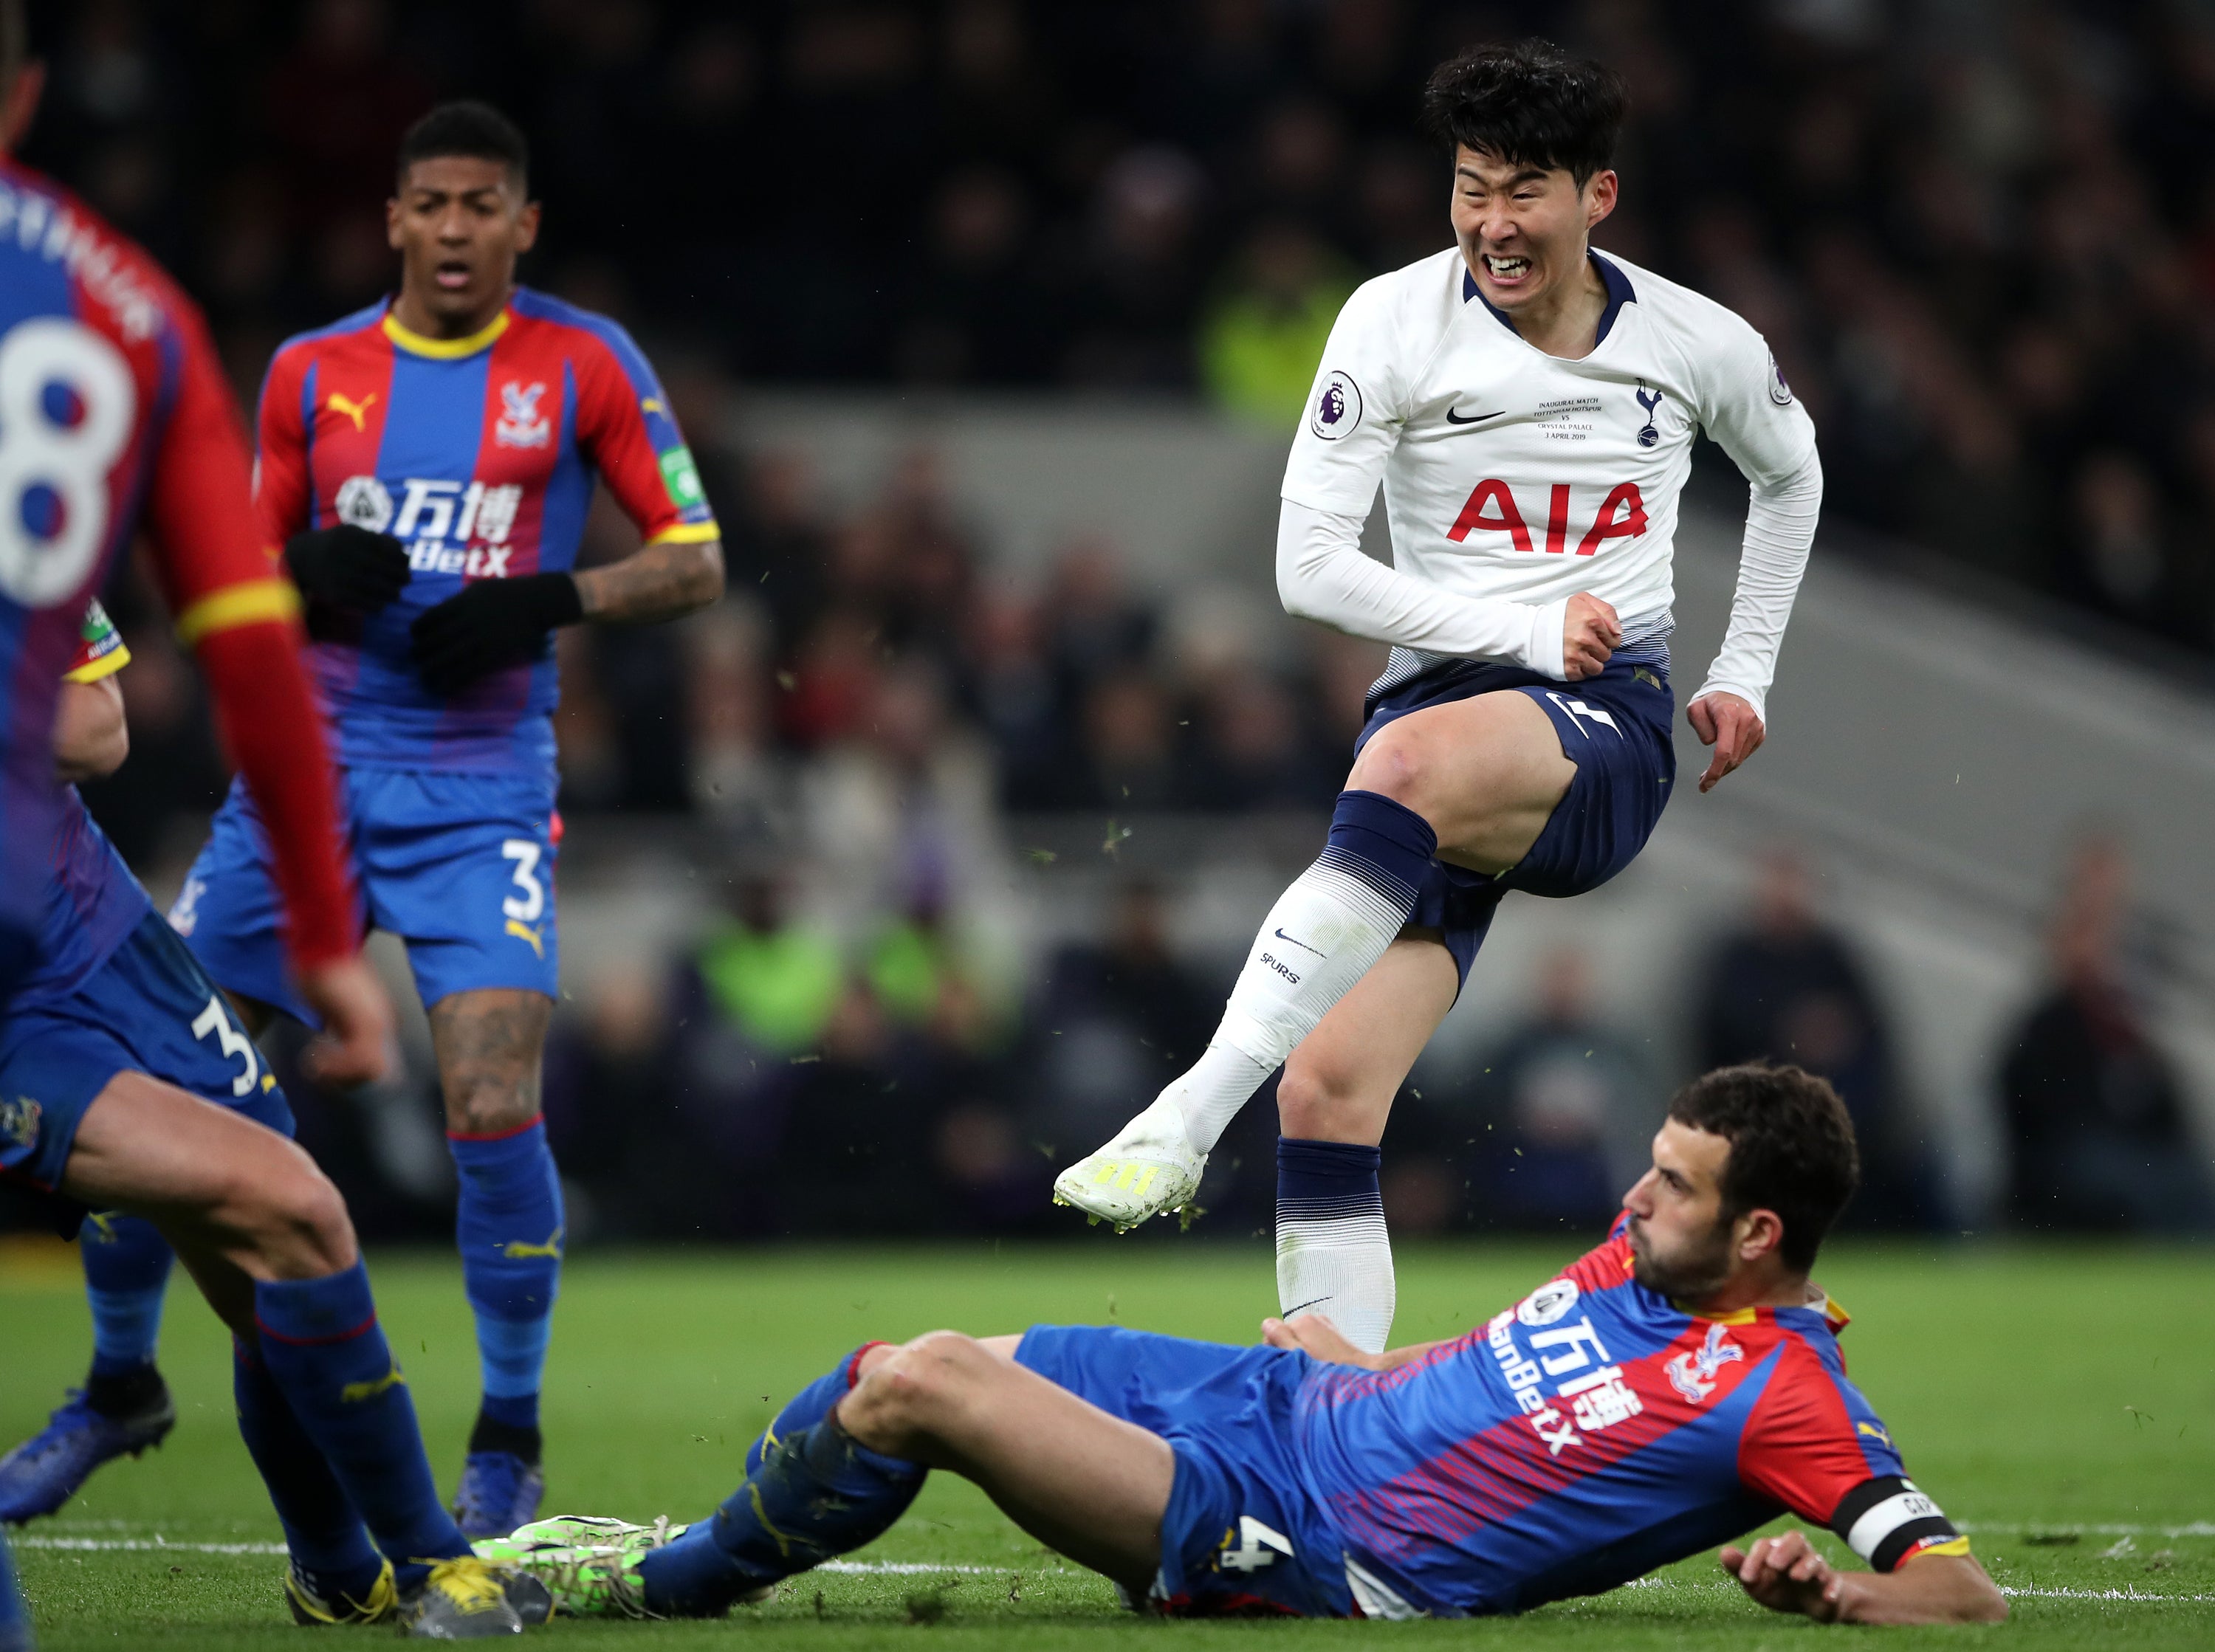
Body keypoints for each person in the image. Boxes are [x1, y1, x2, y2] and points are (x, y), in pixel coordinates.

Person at [1053, 40, 1823, 1357]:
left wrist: (1742, 668)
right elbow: (1307, 568)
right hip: (1443, 715)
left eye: (1526, 190)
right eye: (1471, 187)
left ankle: (1185, 1114)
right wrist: (1517, 624)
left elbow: (1790, 472)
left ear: (1600, 198)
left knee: (1404, 773)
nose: (1492, 224)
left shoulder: (1697, 340)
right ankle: (1331, 1446)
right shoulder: (1391, 320)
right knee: (1329, 1087)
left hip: (1606, 730)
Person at [0, 13, 532, 1636]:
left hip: (80, 921)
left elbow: (127, 700)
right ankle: (396, 1542)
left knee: (289, 1221)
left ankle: (368, 1562)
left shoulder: (101, 330)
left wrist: (324, 935)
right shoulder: (122, 314)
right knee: (274, 1212)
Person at [480, 1065, 2005, 1626]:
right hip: (1277, 1400)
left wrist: (1849, 1599)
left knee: (931, 1383)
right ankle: (720, 1539)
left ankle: (641, 1585)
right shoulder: (1645, 1259)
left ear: (1759, 1238)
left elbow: (1963, 1591)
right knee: (882, 1364)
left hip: (1310, 1538)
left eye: (1672, 1185)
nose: (1632, 1193)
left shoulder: (1785, 1399)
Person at [157, 100, 724, 1538]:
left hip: (483, 782)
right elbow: (223, 569)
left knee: (489, 1094)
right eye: (433, 203)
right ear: (394, 219)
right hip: (313, 771)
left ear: (522, 224)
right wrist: (296, 566)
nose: (457, 228)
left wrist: (555, 597)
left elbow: (698, 559)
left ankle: (509, 1429)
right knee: (171, 1077)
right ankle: (119, 1377)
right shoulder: (310, 372)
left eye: (485, 204)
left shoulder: (585, 362)